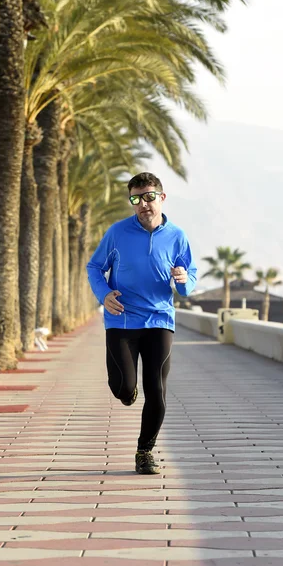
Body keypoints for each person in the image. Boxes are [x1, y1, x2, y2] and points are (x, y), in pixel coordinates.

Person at [86, 172, 197, 474]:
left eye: (149, 196)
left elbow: (189, 277)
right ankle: (127, 391)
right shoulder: (118, 233)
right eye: (136, 198)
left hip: (160, 319)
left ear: (162, 198)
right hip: (121, 319)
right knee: (123, 388)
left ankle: (144, 451)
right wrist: (104, 294)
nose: (143, 204)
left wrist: (184, 280)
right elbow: (95, 266)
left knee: (156, 389)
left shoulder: (177, 236)